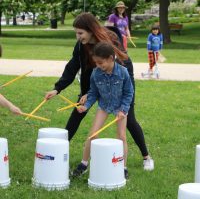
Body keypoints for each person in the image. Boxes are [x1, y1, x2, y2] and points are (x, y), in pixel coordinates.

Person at [45, 12, 154, 171]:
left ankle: (146, 157)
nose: (78, 36)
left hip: (121, 81)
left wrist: (123, 98)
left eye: (80, 33)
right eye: (76, 33)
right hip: (96, 83)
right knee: (78, 111)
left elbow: (123, 62)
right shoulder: (81, 45)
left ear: (90, 30)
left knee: (129, 119)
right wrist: (57, 88)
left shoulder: (109, 40)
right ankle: (62, 150)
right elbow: (73, 66)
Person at [73, 42, 133, 179]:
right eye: (96, 63)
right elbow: (93, 92)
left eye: (101, 63)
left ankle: (123, 167)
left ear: (111, 58)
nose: (98, 66)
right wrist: (86, 106)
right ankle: (84, 164)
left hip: (120, 107)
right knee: (92, 135)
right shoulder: (96, 73)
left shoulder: (123, 72)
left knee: (122, 136)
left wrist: (123, 110)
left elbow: (129, 93)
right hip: (104, 105)